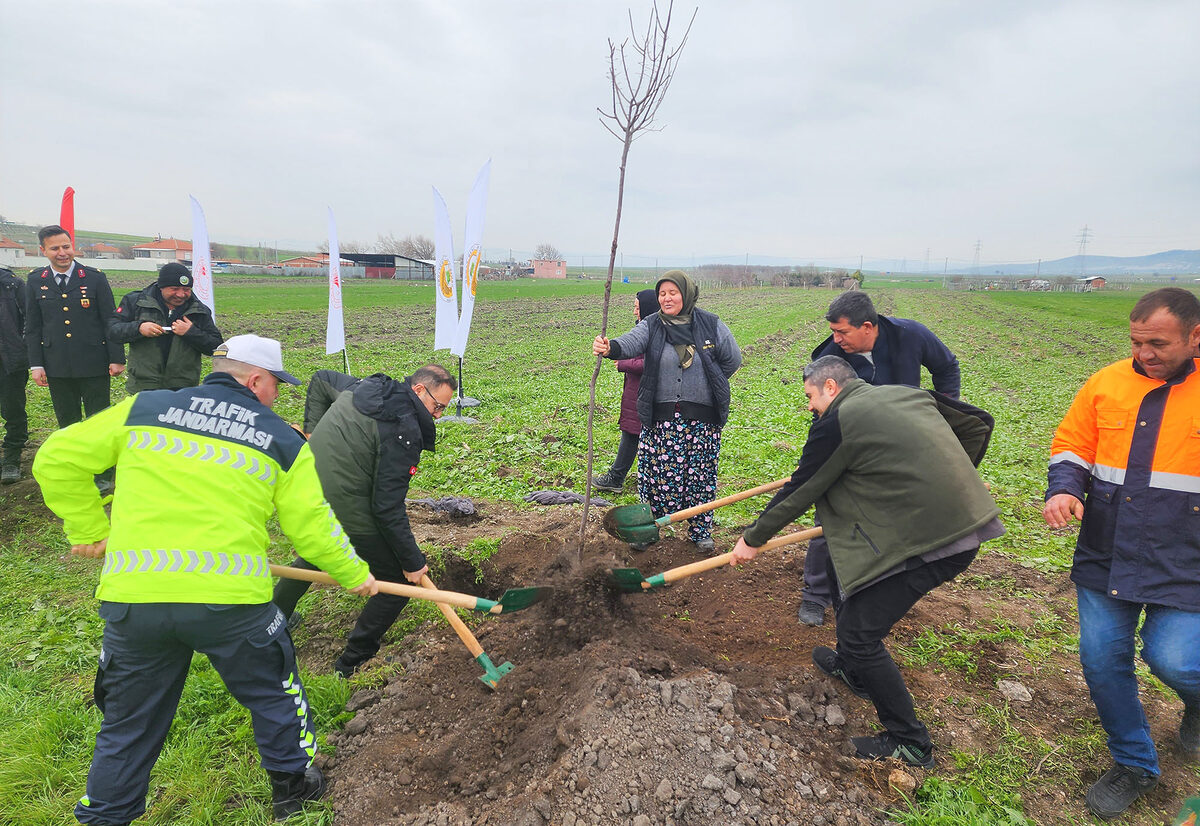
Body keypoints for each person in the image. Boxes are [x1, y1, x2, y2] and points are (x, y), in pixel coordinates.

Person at [32, 334, 378, 825]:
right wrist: (354, 575)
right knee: (276, 693)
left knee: (128, 724)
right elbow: (313, 530)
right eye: (276, 385)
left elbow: (57, 458)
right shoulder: (281, 439)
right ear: (255, 380)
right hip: (231, 604)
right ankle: (293, 792)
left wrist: (89, 527)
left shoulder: (144, 407)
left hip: (137, 599)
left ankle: (107, 816)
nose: (277, 395)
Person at [731, 356, 1001, 768]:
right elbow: (975, 423)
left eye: (810, 396)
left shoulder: (837, 421)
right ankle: (853, 669)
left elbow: (803, 489)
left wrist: (752, 540)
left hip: (937, 540)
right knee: (848, 572)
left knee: (861, 634)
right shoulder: (904, 394)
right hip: (961, 520)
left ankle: (911, 743)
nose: (809, 407)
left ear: (831, 388)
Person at [1043, 287, 1200, 820]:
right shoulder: (1106, 383)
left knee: (1173, 657)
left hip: (1186, 557)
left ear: (1195, 335)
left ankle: (1197, 705)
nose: (1144, 354)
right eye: (1136, 343)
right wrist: (1064, 487)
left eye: (1158, 343)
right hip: (1108, 548)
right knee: (1101, 660)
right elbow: (1071, 444)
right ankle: (1134, 762)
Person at [273, 364, 456, 677]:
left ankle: (272, 620)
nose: (438, 416)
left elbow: (321, 379)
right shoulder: (404, 430)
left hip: (307, 488)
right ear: (418, 390)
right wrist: (411, 562)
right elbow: (386, 507)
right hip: (344, 499)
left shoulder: (368, 387)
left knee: (322, 550)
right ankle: (353, 661)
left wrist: (311, 432)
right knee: (395, 583)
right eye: (438, 406)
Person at [798, 290, 961, 626]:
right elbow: (822, 414)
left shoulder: (910, 335)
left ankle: (871, 589)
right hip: (849, 447)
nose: (835, 339)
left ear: (868, 327)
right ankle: (815, 595)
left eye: (842, 332)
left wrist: (941, 412)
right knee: (830, 519)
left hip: (902, 449)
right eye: (832, 331)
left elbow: (947, 367)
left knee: (891, 519)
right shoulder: (831, 358)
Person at [593, 271, 741, 552]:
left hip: (702, 422)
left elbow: (732, 360)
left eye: (673, 292)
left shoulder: (711, 324)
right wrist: (610, 347)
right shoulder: (652, 325)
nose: (666, 298)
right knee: (656, 477)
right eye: (662, 293)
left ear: (686, 293)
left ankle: (700, 532)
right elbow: (630, 343)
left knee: (700, 476)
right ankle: (649, 529)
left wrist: (707, 383)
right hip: (661, 420)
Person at [26, 226, 125, 492]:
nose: (62, 253)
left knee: (98, 421)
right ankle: (76, 471)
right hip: (56, 365)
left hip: (94, 362)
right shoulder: (36, 280)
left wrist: (116, 357)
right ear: (43, 251)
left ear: (73, 246)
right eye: (55, 248)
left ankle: (103, 474)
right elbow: (33, 326)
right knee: (67, 423)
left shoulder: (93, 278)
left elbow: (109, 320)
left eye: (66, 246)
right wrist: (36, 364)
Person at [108, 262, 222, 393]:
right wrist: (139, 328)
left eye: (186, 290)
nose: (181, 294)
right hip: (143, 385)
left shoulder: (198, 310)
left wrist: (191, 332)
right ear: (161, 287)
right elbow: (113, 330)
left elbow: (216, 346)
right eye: (174, 289)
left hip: (182, 388)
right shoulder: (136, 302)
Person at [591, 289, 660, 492]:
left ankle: (617, 477)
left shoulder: (655, 332)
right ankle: (644, 477)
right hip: (636, 392)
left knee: (632, 434)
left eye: (637, 308)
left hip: (644, 392)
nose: (634, 312)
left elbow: (650, 363)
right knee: (634, 434)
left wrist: (623, 363)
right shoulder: (643, 329)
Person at [0, 266, 29, 483]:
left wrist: (21, 346)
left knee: (13, 409)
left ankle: (11, 458)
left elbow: (31, 320)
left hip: (8, 359)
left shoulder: (12, 284)